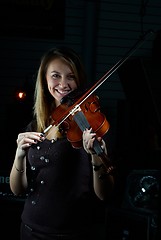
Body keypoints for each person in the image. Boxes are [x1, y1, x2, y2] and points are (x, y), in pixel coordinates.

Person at [9, 46, 114, 240]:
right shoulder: (36, 125)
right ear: (45, 80)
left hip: (74, 234)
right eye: (56, 76)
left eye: (71, 77)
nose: (63, 84)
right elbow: (17, 190)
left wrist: (96, 157)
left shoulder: (90, 125)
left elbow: (105, 195)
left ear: (79, 80)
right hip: (30, 230)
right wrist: (19, 154)